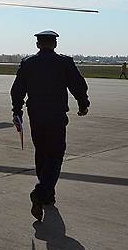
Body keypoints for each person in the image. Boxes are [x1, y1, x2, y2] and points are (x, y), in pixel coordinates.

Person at [11, 30, 90, 221]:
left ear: (38, 44)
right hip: (56, 115)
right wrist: (83, 103)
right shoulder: (64, 62)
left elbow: (17, 89)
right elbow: (78, 85)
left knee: (42, 153)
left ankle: (47, 195)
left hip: (36, 115)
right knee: (55, 155)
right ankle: (40, 192)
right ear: (54, 44)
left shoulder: (28, 63)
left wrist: (17, 111)